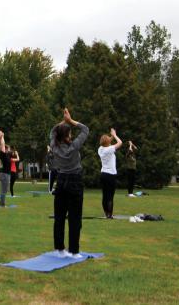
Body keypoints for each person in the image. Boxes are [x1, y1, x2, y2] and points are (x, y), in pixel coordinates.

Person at [49, 108, 89, 259]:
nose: (72, 135)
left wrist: (62, 122)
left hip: (61, 182)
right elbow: (85, 129)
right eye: (70, 133)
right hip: (74, 182)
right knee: (75, 218)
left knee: (59, 217)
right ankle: (74, 251)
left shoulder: (54, 146)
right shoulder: (73, 147)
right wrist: (70, 120)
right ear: (67, 136)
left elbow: (52, 131)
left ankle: (59, 249)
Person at [98, 128, 122, 219]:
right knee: (110, 196)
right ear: (108, 142)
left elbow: (106, 141)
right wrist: (115, 135)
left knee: (105, 195)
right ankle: (110, 215)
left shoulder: (100, 149)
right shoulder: (110, 149)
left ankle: (106, 213)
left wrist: (111, 135)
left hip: (103, 174)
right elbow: (120, 142)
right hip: (111, 175)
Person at [0, 131, 12, 207]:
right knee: (4, 190)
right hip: (5, 175)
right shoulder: (4, 155)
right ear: (5, 150)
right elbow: (1, 145)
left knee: (4, 190)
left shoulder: (7, 156)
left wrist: (0, 137)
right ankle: (2, 204)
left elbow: (0, 144)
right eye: (8, 149)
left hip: (5, 174)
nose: (9, 150)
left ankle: (1, 202)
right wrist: (1, 137)